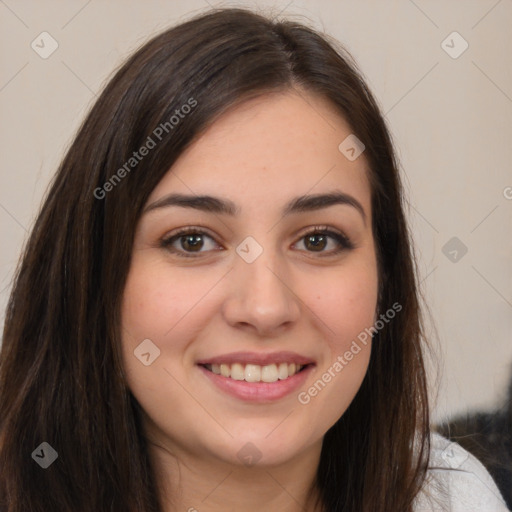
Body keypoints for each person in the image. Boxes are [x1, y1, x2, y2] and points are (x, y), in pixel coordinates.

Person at [0, 7, 508, 512]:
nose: (265, 308)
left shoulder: (452, 497)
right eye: (193, 241)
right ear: (95, 276)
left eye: (318, 240)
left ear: (384, 275)